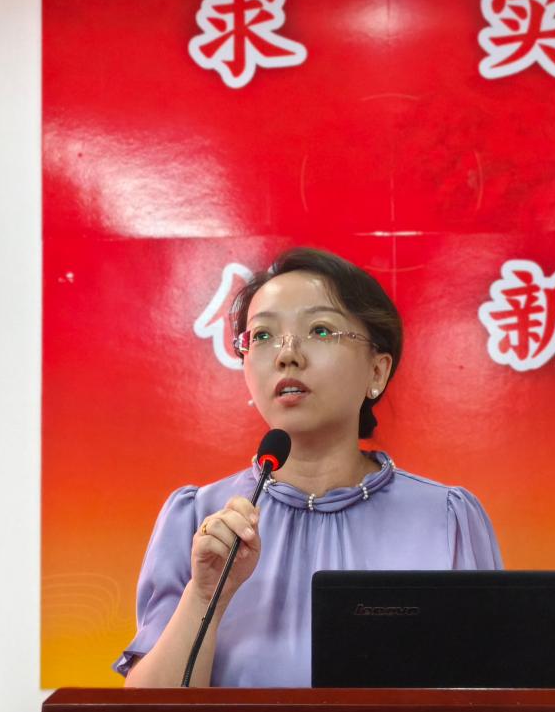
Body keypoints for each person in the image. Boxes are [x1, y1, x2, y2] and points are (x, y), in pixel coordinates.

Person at [115, 248, 502, 687]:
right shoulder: (199, 520)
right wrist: (205, 596)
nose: (287, 355)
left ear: (377, 371)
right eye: (263, 335)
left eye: (319, 330)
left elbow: (494, 696)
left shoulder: (445, 519)